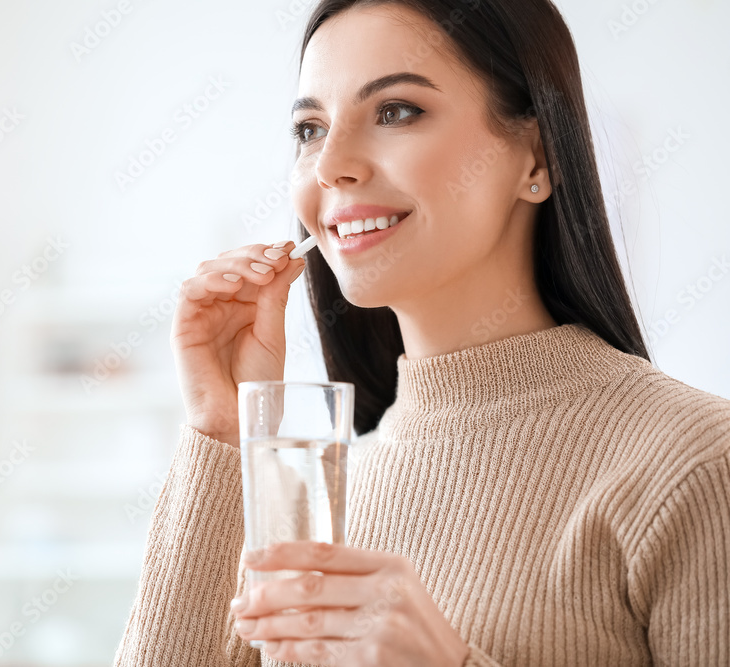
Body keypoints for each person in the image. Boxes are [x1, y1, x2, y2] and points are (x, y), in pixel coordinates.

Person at [113, 0, 730, 665]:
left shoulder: (696, 465)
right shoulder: (315, 497)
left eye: (396, 111)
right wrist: (223, 432)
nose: (331, 166)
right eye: (310, 128)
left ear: (537, 158)